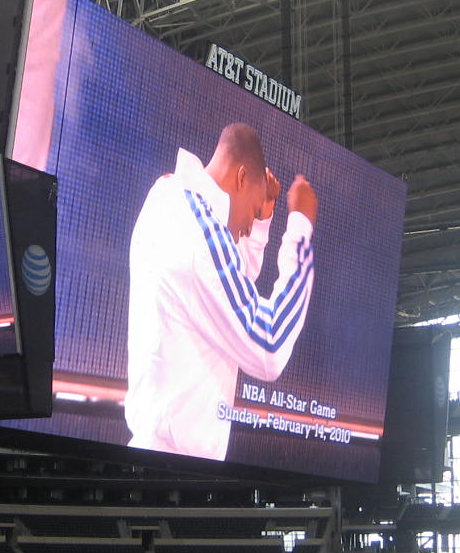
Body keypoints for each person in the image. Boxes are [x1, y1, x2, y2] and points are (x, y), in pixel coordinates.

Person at [125, 122, 318, 462]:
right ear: (242, 178)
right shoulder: (199, 236)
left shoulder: (169, 195)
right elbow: (268, 344)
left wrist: (262, 219)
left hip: (160, 455)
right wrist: (301, 226)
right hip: (175, 467)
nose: (249, 221)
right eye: (254, 205)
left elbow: (228, 287)